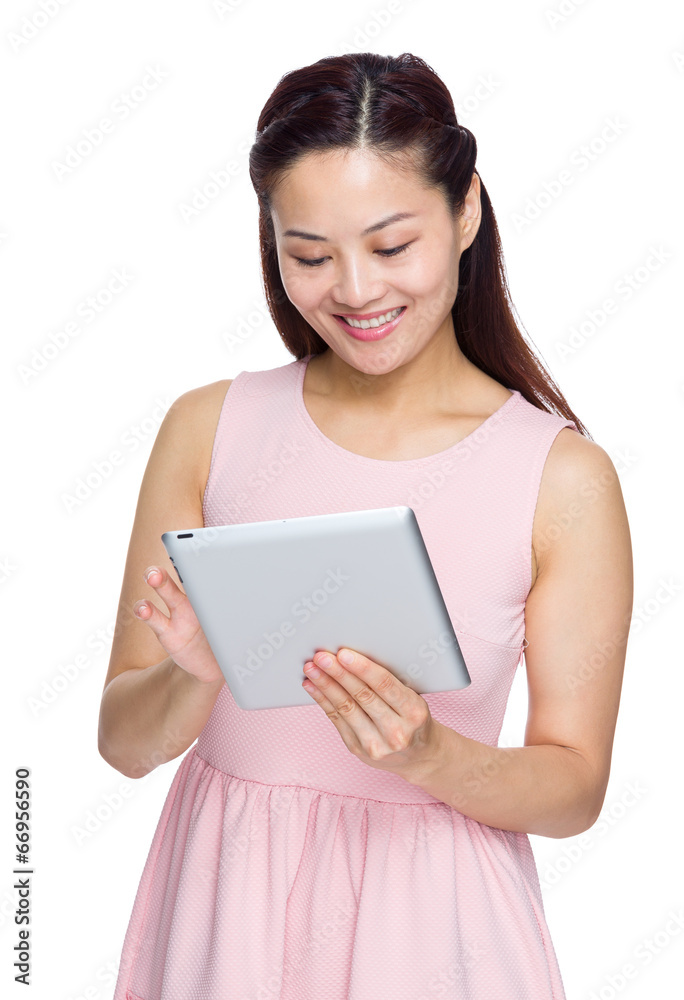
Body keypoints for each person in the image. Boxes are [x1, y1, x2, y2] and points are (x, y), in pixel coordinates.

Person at [100, 51, 633, 1000]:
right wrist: (197, 672)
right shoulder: (208, 429)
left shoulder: (562, 480)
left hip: (433, 935)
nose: (353, 290)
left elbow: (576, 788)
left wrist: (430, 755)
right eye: (309, 256)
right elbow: (123, 743)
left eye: (391, 247)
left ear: (466, 211)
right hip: (227, 915)